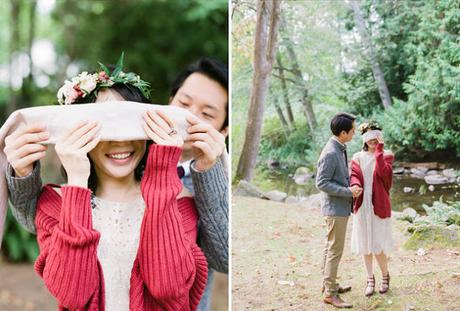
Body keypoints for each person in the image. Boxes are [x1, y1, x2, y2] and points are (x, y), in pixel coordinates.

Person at [4, 57, 228, 310]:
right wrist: (76, 180)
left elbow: (168, 287)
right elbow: (72, 295)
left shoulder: (181, 200)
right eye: (104, 126)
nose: (119, 140)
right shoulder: (55, 202)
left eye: (129, 125)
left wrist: (162, 170)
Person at [316, 112, 362, 309]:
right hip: (335, 209)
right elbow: (321, 182)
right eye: (352, 130)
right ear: (343, 133)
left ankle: (329, 284)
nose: (354, 133)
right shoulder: (331, 153)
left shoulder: (339, 147)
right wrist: (348, 192)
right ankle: (330, 293)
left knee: (330, 247)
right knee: (335, 250)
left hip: (337, 207)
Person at [350, 121, 394, 297]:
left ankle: (385, 276)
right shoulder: (357, 156)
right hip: (362, 205)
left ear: (380, 138)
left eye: (376, 138)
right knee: (365, 244)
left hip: (379, 204)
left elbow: (385, 175)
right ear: (364, 140)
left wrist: (379, 151)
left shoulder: (387, 155)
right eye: (369, 139)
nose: (373, 141)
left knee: (378, 244)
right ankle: (370, 279)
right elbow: (354, 175)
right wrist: (355, 186)